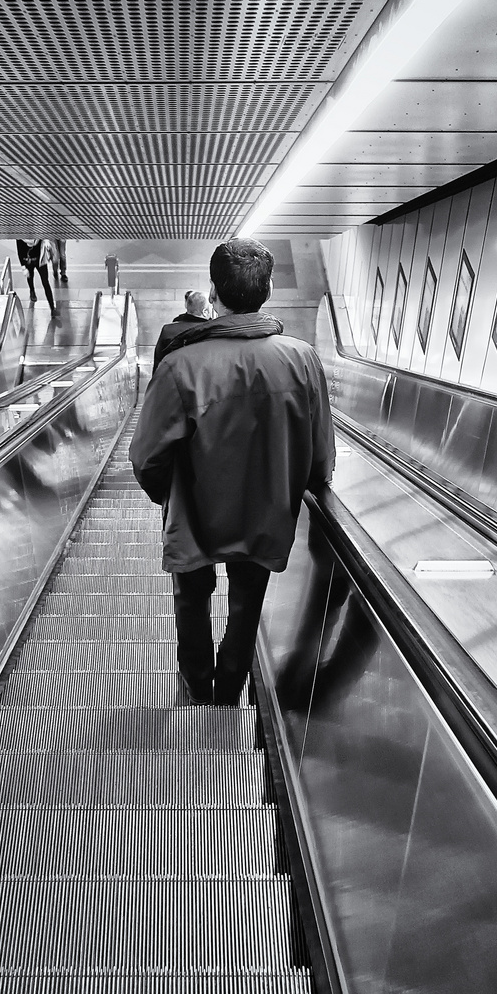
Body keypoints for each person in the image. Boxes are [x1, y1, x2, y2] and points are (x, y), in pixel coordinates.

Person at [128, 239, 335, 706]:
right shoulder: (302, 358)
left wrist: (171, 493)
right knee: (247, 603)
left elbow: (145, 457)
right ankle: (229, 693)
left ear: (214, 291)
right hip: (266, 512)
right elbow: (322, 452)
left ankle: (198, 688)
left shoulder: (181, 364)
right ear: (269, 289)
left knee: (191, 598)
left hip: (195, 513)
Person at [15, 239, 56, 315]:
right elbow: (19, 252)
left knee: (45, 282)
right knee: (30, 277)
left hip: (40, 260)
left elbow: (44, 235)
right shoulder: (20, 237)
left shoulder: (37, 231)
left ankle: (52, 307)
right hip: (28, 260)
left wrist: (46, 241)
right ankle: (32, 290)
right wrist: (23, 266)